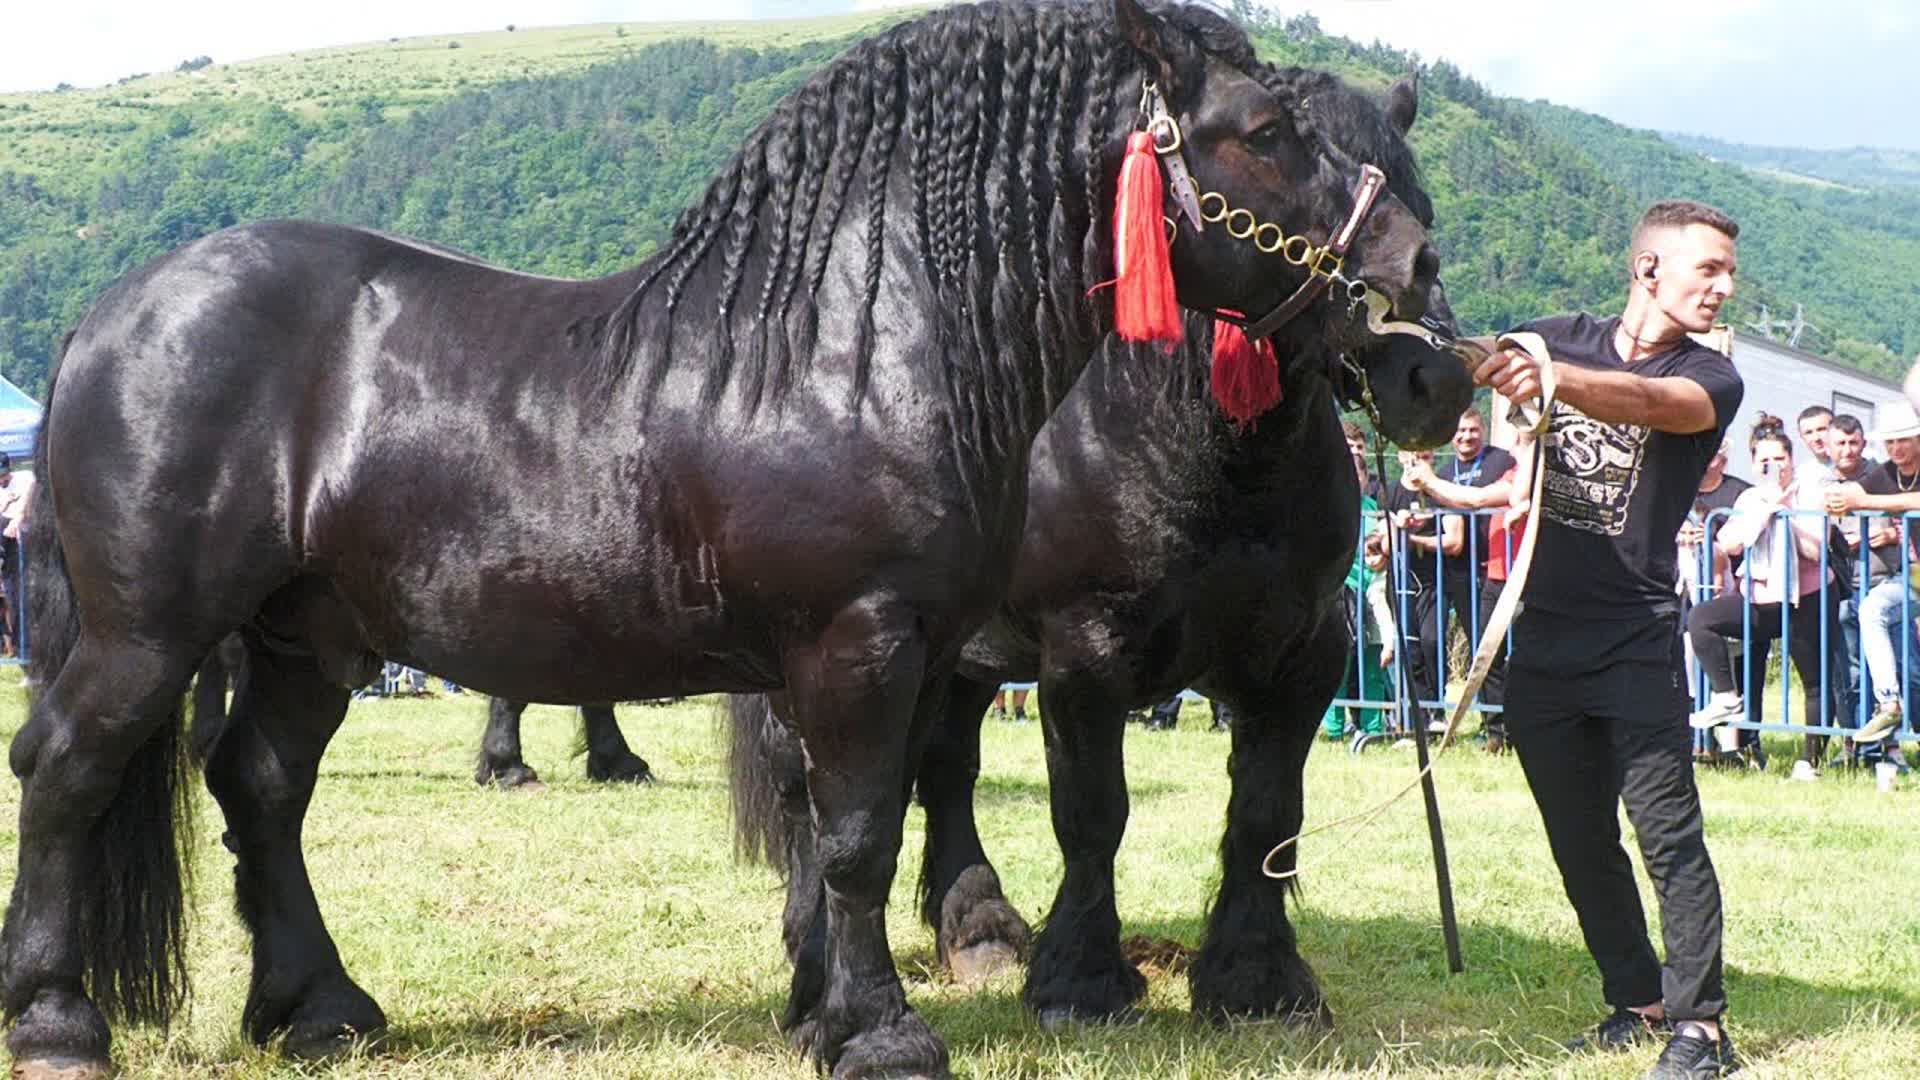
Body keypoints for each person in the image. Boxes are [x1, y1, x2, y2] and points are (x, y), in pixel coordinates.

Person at [1471, 199, 1743, 1078]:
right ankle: (1637, 998)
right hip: (1542, 637)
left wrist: (1545, 379)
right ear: (1649, 269)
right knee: (1577, 836)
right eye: (1709, 270)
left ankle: (1702, 1028)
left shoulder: (1712, 375)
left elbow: (1650, 402)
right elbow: (1480, 360)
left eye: (1728, 273)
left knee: (1668, 838)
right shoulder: (1558, 333)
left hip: (1636, 638)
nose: (1724, 288)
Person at [1686, 426, 1847, 781]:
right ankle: (1727, 696)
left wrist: (1788, 517)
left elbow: (1817, 550)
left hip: (1808, 596)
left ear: (1791, 460)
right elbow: (1730, 542)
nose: (1773, 466)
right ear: (1754, 463)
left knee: (1814, 680)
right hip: (1760, 598)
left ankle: (1810, 761)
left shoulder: (1809, 494)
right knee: (1701, 620)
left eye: (1780, 458)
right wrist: (1767, 510)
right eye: (1764, 460)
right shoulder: (1749, 498)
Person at [1402, 420, 1524, 751]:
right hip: (1462, 571)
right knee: (1481, 652)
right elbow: (1445, 511)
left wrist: (1428, 481)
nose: (1466, 436)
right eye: (1459, 431)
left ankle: (1512, 725)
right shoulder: (1445, 469)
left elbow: (1481, 499)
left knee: (1506, 651)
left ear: (1481, 430)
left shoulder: (1503, 462)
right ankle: (1494, 728)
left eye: (1472, 430)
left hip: (1505, 568)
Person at [1826, 400, 1920, 749]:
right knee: (1871, 609)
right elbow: (1855, 491)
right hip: (1915, 575)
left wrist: (1863, 502)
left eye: (1904, 440)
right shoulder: (1885, 472)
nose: (1896, 448)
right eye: (1890, 442)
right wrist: (1838, 498)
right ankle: (1889, 703)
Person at [1382, 447, 1464, 731]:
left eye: (1426, 456)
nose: (1418, 462)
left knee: (1432, 643)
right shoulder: (1389, 492)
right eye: (1413, 456)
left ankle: (1437, 709)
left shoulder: (1443, 491)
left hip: (1434, 582)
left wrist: (1416, 540)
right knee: (1410, 649)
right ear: (1402, 457)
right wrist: (1399, 527)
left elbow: (1454, 542)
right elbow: (1384, 546)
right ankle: (1417, 716)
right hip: (1401, 580)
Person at [1324, 434, 1394, 742]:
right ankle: (1334, 728)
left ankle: (1373, 728)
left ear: (1366, 480)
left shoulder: (1375, 512)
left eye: (1359, 475)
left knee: (1374, 665)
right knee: (1337, 666)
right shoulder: (1327, 511)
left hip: (1372, 596)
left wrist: (1385, 546)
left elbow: (1385, 547)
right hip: (1340, 598)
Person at [1796, 405, 1834, 480]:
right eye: (1808, 432)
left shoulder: (1858, 469)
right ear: (1802, 437)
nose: (1816, 438)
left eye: (1821, 429)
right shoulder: (1800, 476)